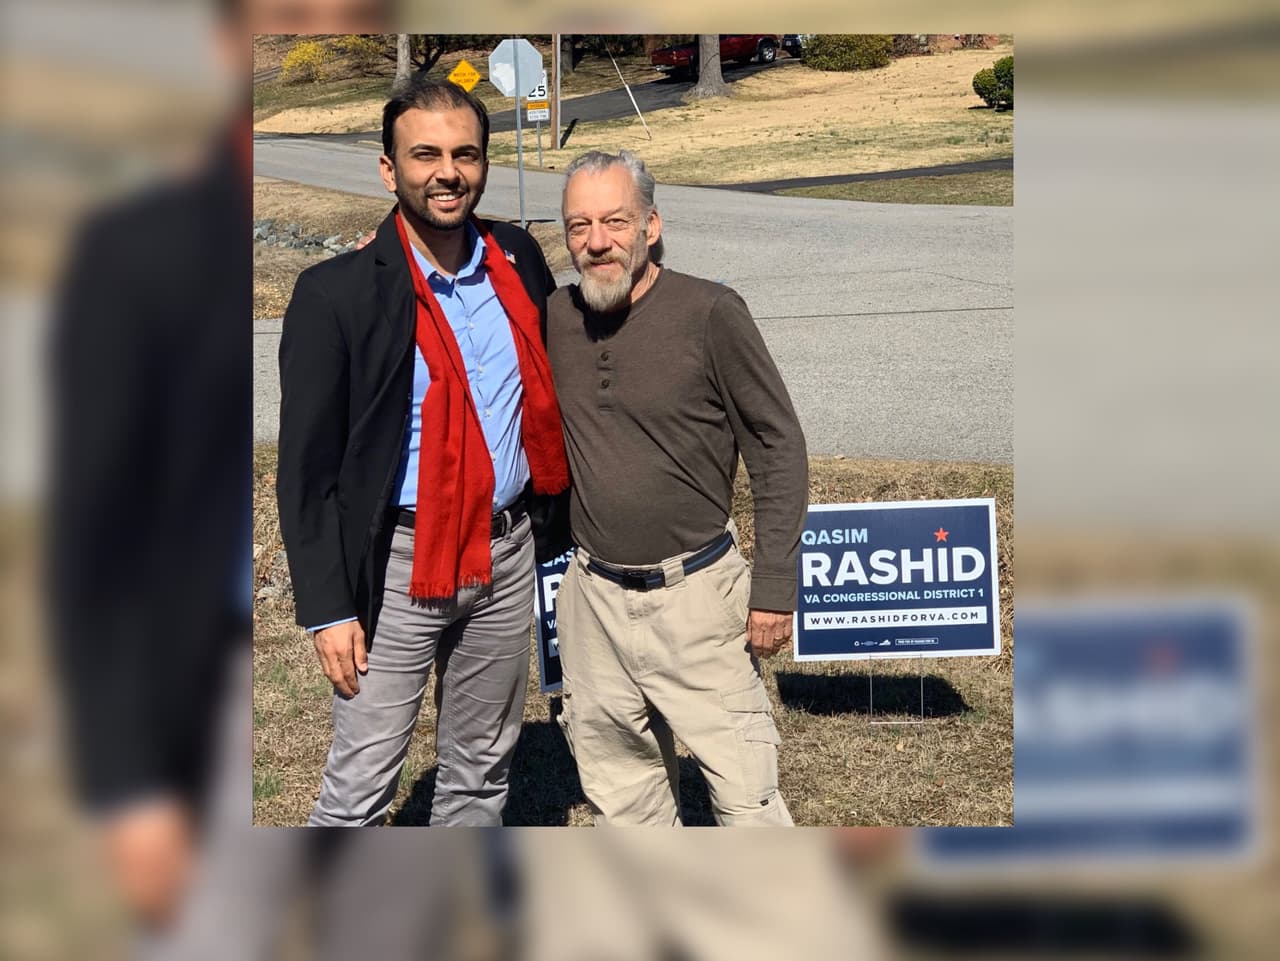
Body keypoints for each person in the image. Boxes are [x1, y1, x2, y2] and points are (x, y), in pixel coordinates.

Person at [276, 75, 570, 826]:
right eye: (426, 154)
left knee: (480, 771)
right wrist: (328, 610)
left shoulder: (515, 256)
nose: (448, 172)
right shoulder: (335, 294)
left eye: (465, 154)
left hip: (506, 552)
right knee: (361, 785)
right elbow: (307, 471)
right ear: (389, 169)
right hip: (399, 564)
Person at [548, 150, 808, 826]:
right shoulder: (555, 317)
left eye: (615, 221)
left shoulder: (711, 312)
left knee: (746, 797)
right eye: (579, 225)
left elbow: (777, 445)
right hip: (594, 601)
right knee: (622, 798)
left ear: (651, 225)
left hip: (697, 596)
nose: (596, 241)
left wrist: (774, 587)